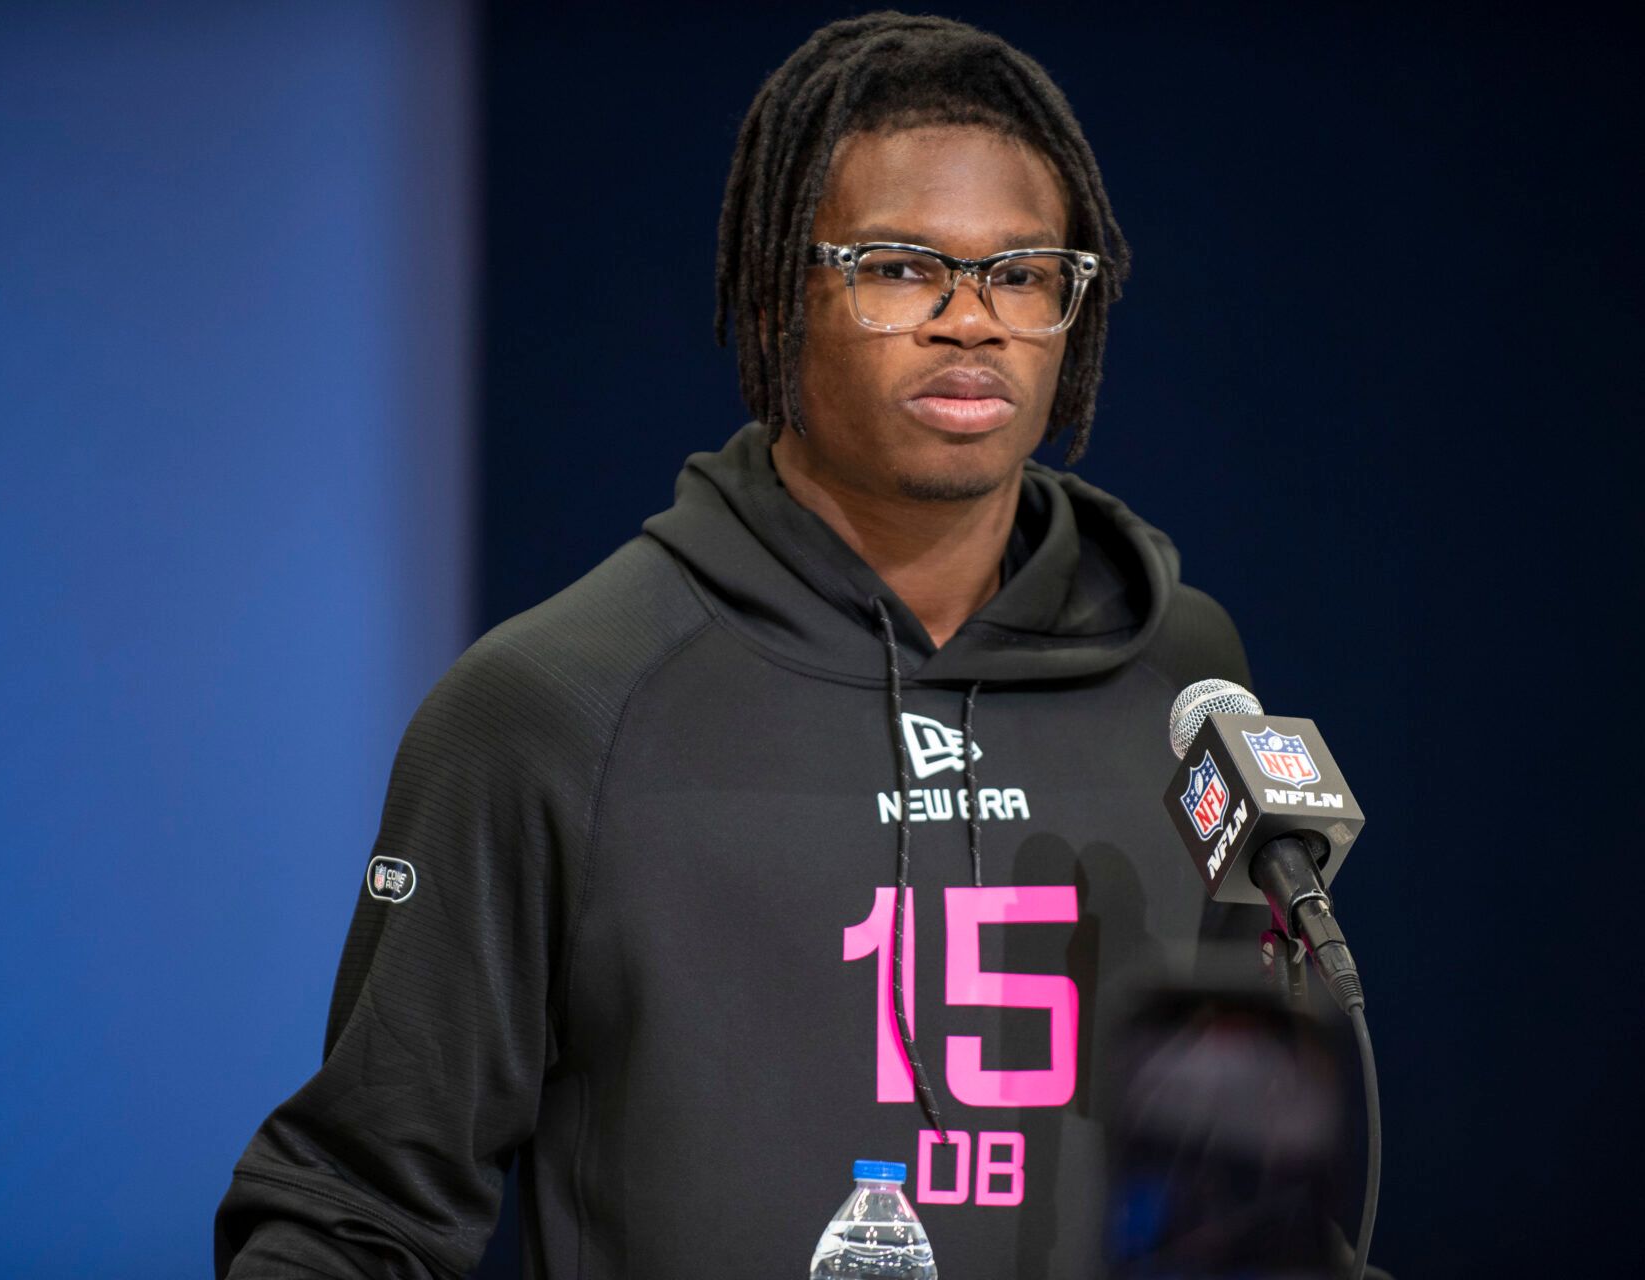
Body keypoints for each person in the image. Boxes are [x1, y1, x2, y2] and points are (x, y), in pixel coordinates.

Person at [216, 12, 1259, 1278]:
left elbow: (1253, 1196)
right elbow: (349, 1212)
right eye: (898, 267)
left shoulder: (1181, 675)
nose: (970, 320)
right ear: (778, 297)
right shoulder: (552, 705)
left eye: (1023, 272)